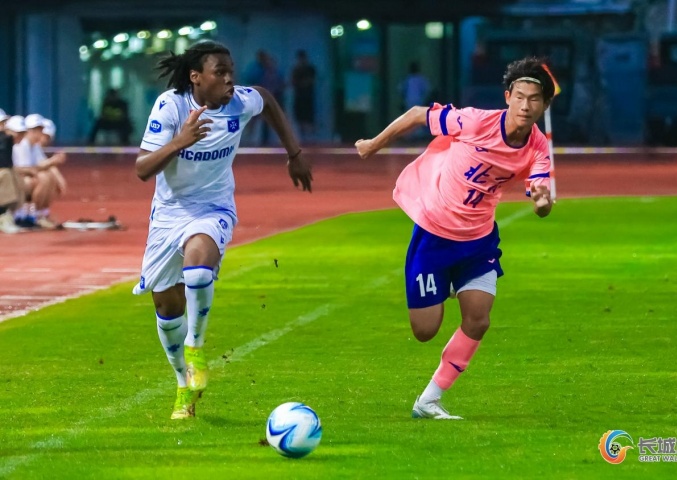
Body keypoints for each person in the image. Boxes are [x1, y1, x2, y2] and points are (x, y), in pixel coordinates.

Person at [355, 56, 555, 419]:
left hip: (478, 240)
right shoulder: (475, 121)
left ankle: (428, 401)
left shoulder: (538, 148)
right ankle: (445, 283)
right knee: (424, 331)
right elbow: (418, 114)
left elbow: (540, 195)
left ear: (543, 105)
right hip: (435, 233)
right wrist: (373, 144)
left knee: (478, 320)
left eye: (534, 99)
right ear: (508, 97)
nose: (526, 106)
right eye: (520, 97)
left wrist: (542, 203)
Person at [132, 40, 312, 420]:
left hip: (213, 209)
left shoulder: (239, 102)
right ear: (196, 77)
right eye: (221, 72)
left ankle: (196, 348)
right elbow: (142, 169)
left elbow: (267, 100)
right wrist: (180, 141)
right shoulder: (171, 106)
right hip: (168, 215)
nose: (230, 79)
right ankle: (183, 385)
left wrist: (294, 155)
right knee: (167, 308)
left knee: (198, 267)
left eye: (231, 72)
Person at [0, 110, 22, 234]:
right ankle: (2, 215)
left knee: (12, 174)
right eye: (1, 124)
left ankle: (11, 215)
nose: (3, 127)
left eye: (4, 123)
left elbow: (6, 162)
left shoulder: (5, 140)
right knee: (6, 175)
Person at [291, 50, 317, 141]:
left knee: (308, 119)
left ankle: (310, 138)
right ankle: (302, 138)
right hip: (299, 97)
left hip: (308, 97)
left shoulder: (310, 69)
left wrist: (302, 83)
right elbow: (293, 82)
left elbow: (311, 81)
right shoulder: (296, 70)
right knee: (299, 119)